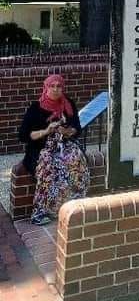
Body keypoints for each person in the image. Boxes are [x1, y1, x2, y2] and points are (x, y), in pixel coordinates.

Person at [18, 73, 89, 225]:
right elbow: (23, 135)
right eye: (52, 86)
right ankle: (40, 212)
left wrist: (68, 131)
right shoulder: (35, 108)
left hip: (64, 145)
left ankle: (74, 207)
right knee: (48, 167)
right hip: (42, 148)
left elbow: (77, 127)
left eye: (59, 86)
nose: (56, 89)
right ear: (46, 88)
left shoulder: (68, 104)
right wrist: (46, 131)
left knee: (77, 161)